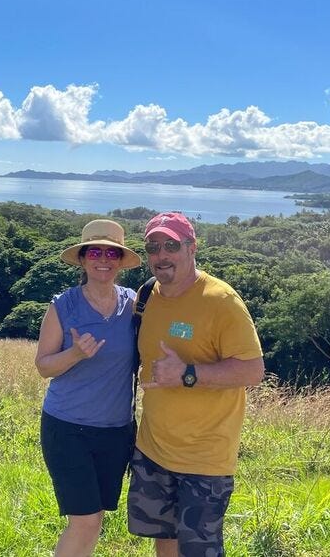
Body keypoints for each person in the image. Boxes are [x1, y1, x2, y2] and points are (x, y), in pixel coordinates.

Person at [127, 211, 265, 556]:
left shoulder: (221, 301)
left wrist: (188, 374)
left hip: (204, 458)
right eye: (153, 246)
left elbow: (253, 370)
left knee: (199, 551)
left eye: (171, 245)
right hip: (153, 450)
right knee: (165, 539)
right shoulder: (146, 296)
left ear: (192, 248)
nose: (161, 255)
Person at [35, 219, 143, 556]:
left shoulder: (134, 305)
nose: (103, 259)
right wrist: (75, 353)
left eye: (112, 252)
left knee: (95, 519)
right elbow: (43, 366)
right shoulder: (63, 306)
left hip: (116, 432)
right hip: (68, 429)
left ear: (121, 261)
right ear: (82, 259)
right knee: (85, 520)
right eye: (94, 251)